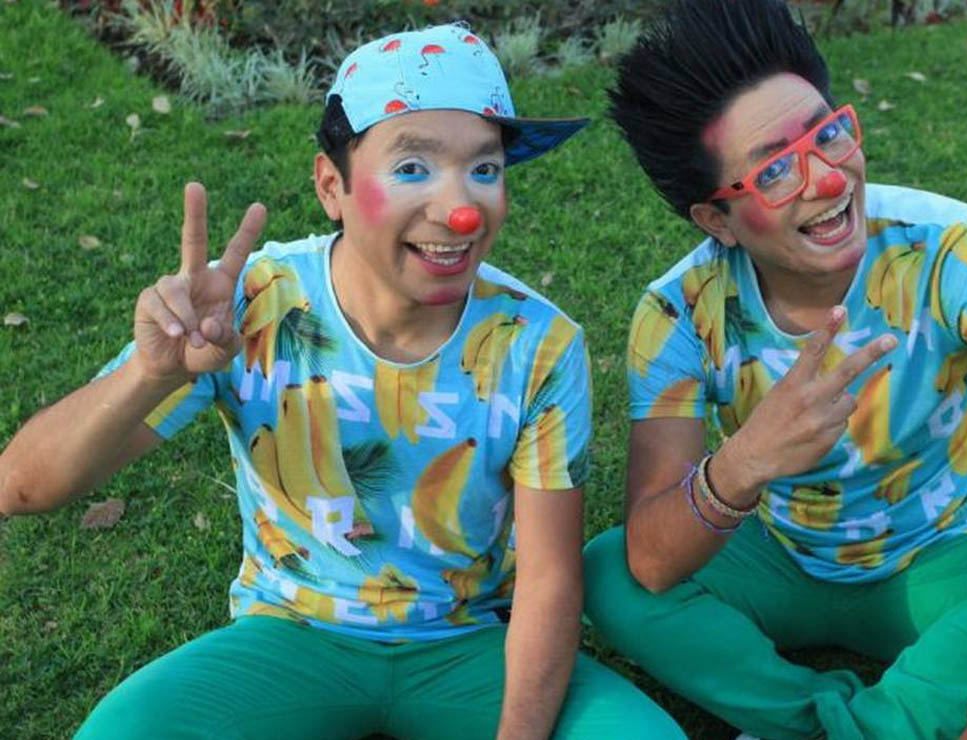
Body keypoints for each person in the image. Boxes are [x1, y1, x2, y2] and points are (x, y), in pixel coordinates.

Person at [0, 24, 683, 740]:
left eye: (484, 168)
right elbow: (22, 485)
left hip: (471, 644)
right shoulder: (250, 305)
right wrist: (149, 374)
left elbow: (548, 580)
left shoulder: (538, 343)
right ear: (333, 185)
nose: (461, 209)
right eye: (413, 167)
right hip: (293, 637)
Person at [582, 1, 967, 738]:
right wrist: (745, 461)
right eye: (776, 169)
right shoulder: (679, 313)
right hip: (774, 561)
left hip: (928, 573)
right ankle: (846, 721)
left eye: (829, 133)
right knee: (609, 574)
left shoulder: (962, 252)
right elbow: (651, 561)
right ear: (716, 219)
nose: (827, 179)